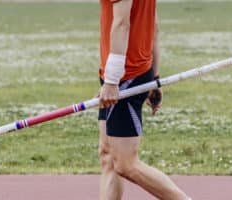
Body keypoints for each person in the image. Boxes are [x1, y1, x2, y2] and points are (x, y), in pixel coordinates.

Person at [98, 0, 192, 199]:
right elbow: (153, 25)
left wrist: (112, 82)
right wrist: (154, 78)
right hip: (125, 74)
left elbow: (122, 24)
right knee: (108, 156)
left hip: (124, 78)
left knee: (126, 164)